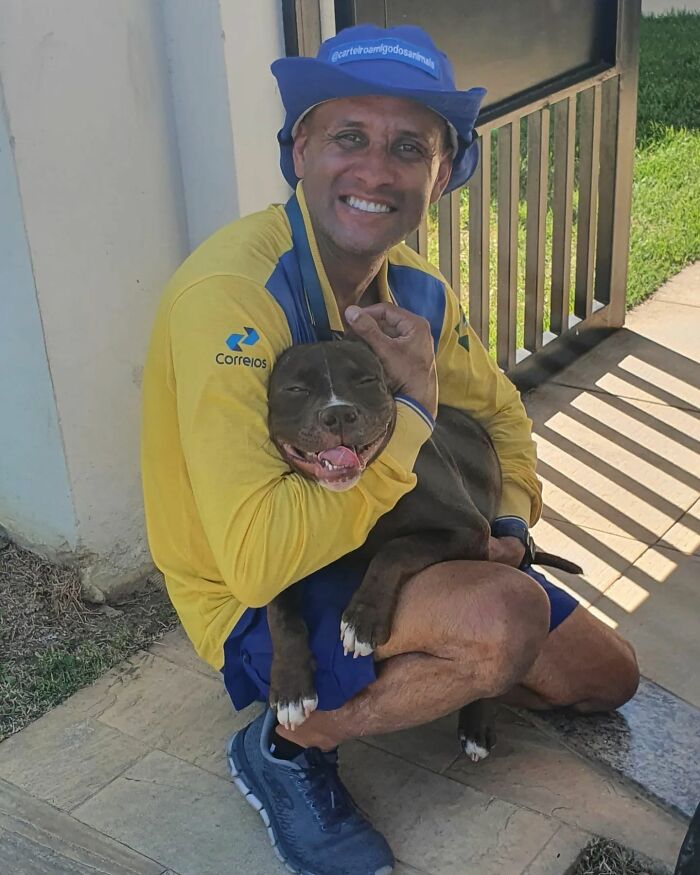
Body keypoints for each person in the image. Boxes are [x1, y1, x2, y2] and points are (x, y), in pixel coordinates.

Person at [141, 24, 639, 875]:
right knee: (502, 621)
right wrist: (410, 407)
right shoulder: (233, 297)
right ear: (299, 150)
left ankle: (428, 658)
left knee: (607, 676)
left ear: (440, 176)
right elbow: (258, 563)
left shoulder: (417, 290)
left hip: (388, 540)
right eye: (349, 137)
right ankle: (288, 743)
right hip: (254, 584)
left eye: (409, 147)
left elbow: (503, 417)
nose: (376, 170)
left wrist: (510, 526)